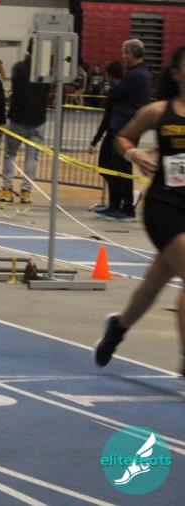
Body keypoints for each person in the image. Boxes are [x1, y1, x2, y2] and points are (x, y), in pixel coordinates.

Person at [94, 44, 185, 378]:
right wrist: (135, 154)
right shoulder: (158, 112)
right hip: (165, 206)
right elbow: (123, 138)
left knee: (152, 286)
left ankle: (118, 328)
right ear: (176, 73)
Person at [96, 40, 153, 221]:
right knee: (111, 166)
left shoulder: (136, 75)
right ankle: (115, 204)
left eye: (124, 53)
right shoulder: (137, 74)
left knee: (121, 167)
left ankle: (127, 207)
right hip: (121, 126)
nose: (123, 57)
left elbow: (113, 93)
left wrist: (114, 91)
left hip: (125, 128)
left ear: (131, 54)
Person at [0, 43, 50, 204]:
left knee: (10, 154)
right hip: (38, 119)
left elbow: (15, 87)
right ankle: (26, 192)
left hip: (17, 118)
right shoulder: (46, 72)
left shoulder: (18, 68)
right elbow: (47, 93)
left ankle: (6, 189)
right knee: (32, 157)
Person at [90, 61, 126, 219]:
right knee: (107, 168)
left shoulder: (116, 92)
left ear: (111, 75)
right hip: (115, 132)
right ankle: (116, 201)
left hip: (114, 133)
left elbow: (106, 119)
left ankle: (117, 202)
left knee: (109, 168)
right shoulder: (120, 90)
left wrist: (95, 141)